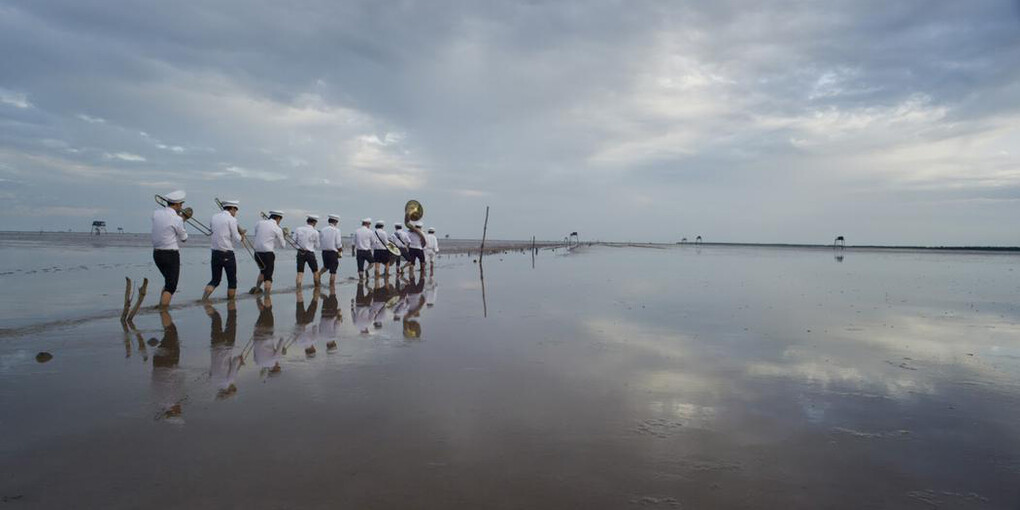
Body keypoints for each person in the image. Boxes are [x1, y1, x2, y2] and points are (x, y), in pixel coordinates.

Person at [151, 190, 188, 308]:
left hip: (157, 254)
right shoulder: (177, 219)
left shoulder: (156, 213)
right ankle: (163, 310)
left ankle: (161, 305)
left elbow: (164, 225)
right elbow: (184, 238)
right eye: (181, 205)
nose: (181, 207)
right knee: (171, 286)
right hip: (170, 254)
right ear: (177, 205)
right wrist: (182, 220)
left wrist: (181, 219)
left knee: (168, 282)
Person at [202, 199, 243, 301]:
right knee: (232, 281)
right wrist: (242, 235)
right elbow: (237, 239)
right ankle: (231, 302)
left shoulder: (214, 217)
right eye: (235, 210)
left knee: (215, 280)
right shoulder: (232, 220)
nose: (235, 213)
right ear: (232, 208)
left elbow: (211, 231)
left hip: (215, 252)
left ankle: (203, 300)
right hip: (227, 253)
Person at [250, 210, 286, 295]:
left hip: (257, 253)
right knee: (268, 277)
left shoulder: (259, 223)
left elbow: (257, 234)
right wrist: (283, 235)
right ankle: (267, 296)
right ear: (278, 218)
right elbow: (283, 245)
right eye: (280, 220)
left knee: (262, 271)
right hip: (268, 253)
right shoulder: (277, 228)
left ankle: (257, 289)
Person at [294, 214, 323, 288]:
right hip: (310, 253)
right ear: (314, 222)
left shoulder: (298, 229)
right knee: (315, 272)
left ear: (307, 221)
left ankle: (298, 289)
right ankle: (317, 287)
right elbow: (317, 246)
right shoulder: (315, 232)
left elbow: (294, 242)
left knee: (300, 273)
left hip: (300, 252)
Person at [320, 214, 343, 286]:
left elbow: (320, 241)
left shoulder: (323, 229)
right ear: (336, 222)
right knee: (333, 271)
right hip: (333, 252)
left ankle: (318, 276)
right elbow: (338, 243)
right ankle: (331, 287)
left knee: (325, 267)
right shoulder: (337, 230)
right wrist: (340, 250)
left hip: (324, 252)